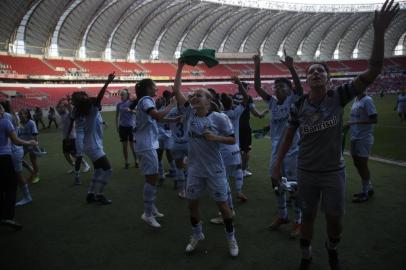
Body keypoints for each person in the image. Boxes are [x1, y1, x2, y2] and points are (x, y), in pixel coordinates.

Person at [271, 1, 398, 269]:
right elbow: (287, 135)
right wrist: (277, 163)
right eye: (312, 71)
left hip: (332, 172)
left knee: (335, 220)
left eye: (321, 70)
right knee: (307, 216)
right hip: (306, 170)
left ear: (329, 79)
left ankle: (331, 248)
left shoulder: (338, 97)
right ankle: (306, 257)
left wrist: (379, 33)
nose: (316, 72)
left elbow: (374, 69)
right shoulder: (298, 106)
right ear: (307, 80)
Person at [173, 60, 239, 257]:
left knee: (223, 206)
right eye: (192, 95)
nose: (193, 98)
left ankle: (231, 238)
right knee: (192, 204)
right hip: (194, 170)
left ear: (208, 100)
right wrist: (180, 67)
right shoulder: (189, 113)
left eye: (198, 95)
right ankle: (197, 234)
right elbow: (176, 90)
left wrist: (216, 137)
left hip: (215, 170)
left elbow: (232, 139)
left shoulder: (219, 118)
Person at [253, 51, 303, 238]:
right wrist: (258, 64)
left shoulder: (293, 100)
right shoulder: (272, 103)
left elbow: (299, 88)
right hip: (276, 149)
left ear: (289, 90)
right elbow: (257, 87)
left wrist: (291, 68)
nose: (277, 89)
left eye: (282, 86)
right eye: (276, 86)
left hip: (293, 150)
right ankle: (282, 214)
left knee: (294, 186)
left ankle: (298, 220)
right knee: (275, 180)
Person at [133, 78, 176, 228]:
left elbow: (155, 119)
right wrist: (171, 105)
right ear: (148, 88)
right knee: (152, 178)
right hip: (146, 144)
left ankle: (151, 208)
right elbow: (157, 116)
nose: (156, 88)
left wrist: (173, 118)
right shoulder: (146, 100)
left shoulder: (145, 101)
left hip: (145, 143)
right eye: (154, 86)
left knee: (152, 177)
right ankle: (147, 213)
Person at [71, 73, 115, 204]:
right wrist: (107, 82)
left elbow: (95, 100)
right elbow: (99, 98)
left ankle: (90, 194)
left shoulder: (80, 111)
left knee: (98, 170)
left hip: (89, 145)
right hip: (94, 146)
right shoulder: (92, 111)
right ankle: (99, 194)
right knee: (108, 170)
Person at [0, 103, 37, 230]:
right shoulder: (7, 118)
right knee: (14, 177)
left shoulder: (7, 118)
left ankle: (27, 197)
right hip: (11, 152)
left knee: (17, 175)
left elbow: (15, 138)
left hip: (13, 151)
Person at [346, 91, 378, 203]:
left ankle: (365, 192)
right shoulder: (356, 100)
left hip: (364, 137)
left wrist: (354, 122)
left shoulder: (367, 100)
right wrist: (351, 125)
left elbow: (374, 119)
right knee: (357, 162)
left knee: (363, 164)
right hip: (355, 136)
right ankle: (368, 187)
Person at [232, 82, 266, 177]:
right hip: (244, 126)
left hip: (233, 126)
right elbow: (255, 113)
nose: (249, 89)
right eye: (248, 87)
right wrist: (261, 114)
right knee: (246, 150)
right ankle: (243, 170)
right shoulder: (248, 98)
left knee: (235, 148)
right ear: (244, 88)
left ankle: (234, 168)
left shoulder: (234, 96)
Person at [57, 98, 90, 178]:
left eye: (62, 107)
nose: (60, 109)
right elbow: (56, 107)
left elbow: (71, 109)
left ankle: (86, 165)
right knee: (66, 154)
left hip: (72, 137)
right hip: (65, 137)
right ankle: (74, 166)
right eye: (60, 107)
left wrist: (67, 103)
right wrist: (60, 102)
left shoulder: (69, 114)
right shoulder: (61, 114)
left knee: (74, 154)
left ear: (65, 107)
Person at [115, 89, 137, 169]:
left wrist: (131, 110)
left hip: (131, 126)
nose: (121, 96)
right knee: (124, 146)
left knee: (132, 146)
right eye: (121, 95)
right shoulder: (119, 104)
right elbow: (117, 115)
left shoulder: (131, 103)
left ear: (127, 95)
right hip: (122, 127)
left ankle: (136, 161)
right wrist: (117, 126)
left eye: (123, 95)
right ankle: (126, 162)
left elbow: (137, 112)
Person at [18, 109, 41, 184]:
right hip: (22, 145)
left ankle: (36, 176)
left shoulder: (31, 123)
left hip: (31, 145)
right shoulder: (19, 123)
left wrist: (36, 145)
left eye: (21, 114)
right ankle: (32, 171)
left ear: (26, 114)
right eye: (19, 114)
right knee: (19, 159)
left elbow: (35, 134)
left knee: (33, 161)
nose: (20, 116)